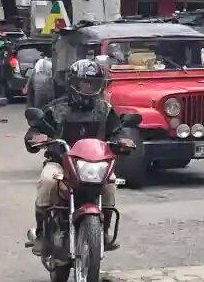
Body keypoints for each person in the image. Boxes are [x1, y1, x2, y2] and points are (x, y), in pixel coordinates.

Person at [24, 56, 127, 255]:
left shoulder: (104, 109)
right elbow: (34, 130)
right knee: (47, 182)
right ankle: (41, 234)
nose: (90, 88)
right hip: (60, 163)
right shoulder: (55, 109)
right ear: (73, 83)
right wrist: (36, 137)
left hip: (95, 165)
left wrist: (123, 140)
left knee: (110, 184)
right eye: (85, 83)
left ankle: (103, 232)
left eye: (94, 83)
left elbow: (117, 131)